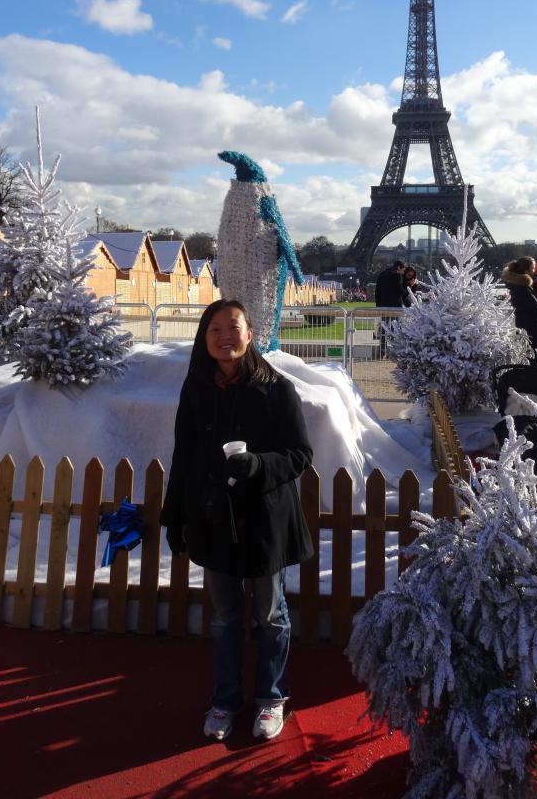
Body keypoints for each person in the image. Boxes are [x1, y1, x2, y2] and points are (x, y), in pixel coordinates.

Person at [160, 299, 314, 744]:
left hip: (264, 520)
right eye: (215, 329)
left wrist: (259, 466)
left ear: (250, 335)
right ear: (203, 339)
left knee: (270, 614)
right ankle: (226, 699)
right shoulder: (196, 391)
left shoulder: (277, 389)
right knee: (226, 617)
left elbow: (300, 454)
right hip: (213, 519)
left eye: (234, 327)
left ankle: (271, 697)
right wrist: (176, 517)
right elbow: (184, 457)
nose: (225, 336)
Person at [501, 255, 537, 352]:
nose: (534, 271)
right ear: (526, 271)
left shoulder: (518, 285)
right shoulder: (522, 288)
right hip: (534, 333)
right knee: (536, 363)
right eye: (533, 268)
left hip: (527, 330)